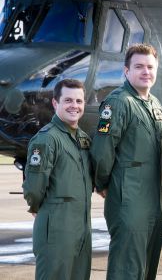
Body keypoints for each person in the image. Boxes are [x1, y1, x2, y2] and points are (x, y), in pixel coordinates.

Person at [90, 44, 162, 279]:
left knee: (147, 266)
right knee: (127, 267)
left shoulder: (154, 104)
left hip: (154, 199)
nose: (146, 72)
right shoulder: (118, 103)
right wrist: (101, 183)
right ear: (126, 71)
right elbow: (102, 150)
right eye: (139, 67)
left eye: (150, 67)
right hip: (129, 199)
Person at [23, 79, 93, 280]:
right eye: (68, 100)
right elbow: (34, 187)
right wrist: (36, 207)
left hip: (81, 230)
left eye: (79, 101)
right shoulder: (47, 139)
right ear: (55, 103)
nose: (75, 106)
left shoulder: (82, 139)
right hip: (56, 230)